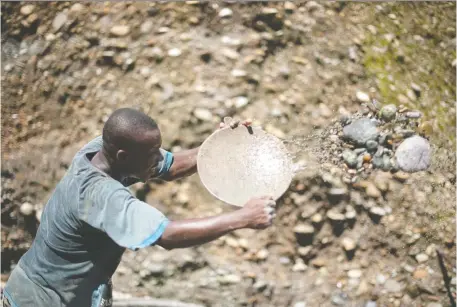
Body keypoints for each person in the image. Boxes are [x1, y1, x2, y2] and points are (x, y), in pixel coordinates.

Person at [3, 108, 277, 307]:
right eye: (152, 154)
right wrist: (243, 217)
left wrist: (217, 146)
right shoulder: (101, 196)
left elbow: (170, 166)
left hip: (38, 289)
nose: (159, 158)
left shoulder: (99, 151)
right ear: (123, 156)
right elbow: (166, 235)